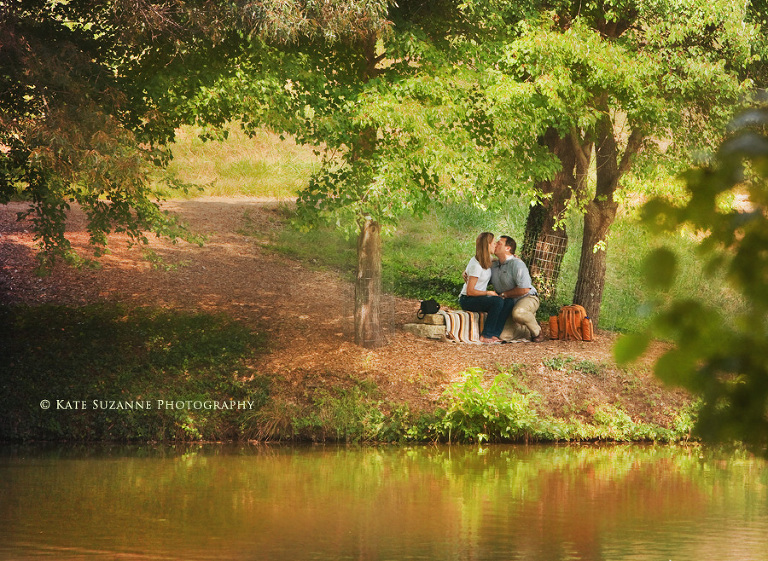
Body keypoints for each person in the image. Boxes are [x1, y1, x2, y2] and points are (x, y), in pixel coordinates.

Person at [458, 232, 516, 344]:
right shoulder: (476, 265)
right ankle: (486, 336)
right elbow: (470, 291)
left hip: (477, 298)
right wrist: (488, 292)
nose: (495, 245)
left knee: (508, 302)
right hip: (467, 299)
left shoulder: (487, 259)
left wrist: (514, 258)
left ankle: (494, 334)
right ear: (487, 245)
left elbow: (501, 260)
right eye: (494, 243)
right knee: (497, 301)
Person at [490, 236, 544, 342]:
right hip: (508, 303)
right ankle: (527, 328)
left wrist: (504, 294)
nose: (495, 245)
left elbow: (524, 289)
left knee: (519, 313)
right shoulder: (493, 266)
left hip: (527, 297)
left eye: (499, 243)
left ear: (508, 248)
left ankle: (537, 332)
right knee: (503, 336)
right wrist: (467, 272)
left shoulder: (517, 264)